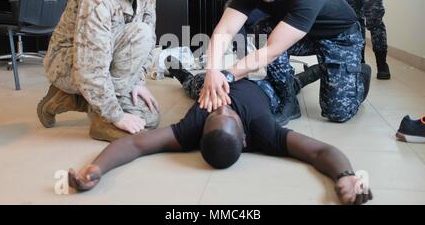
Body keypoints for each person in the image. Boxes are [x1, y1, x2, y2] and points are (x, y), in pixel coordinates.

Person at [68, 76, 373, 205]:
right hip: (258, 87)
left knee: (196, 83)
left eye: (218, 112)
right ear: (245, 138)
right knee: (287, 88)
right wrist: (346, 176)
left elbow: (135, 144)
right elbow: (320, 151)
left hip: (213, 80)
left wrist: (95, 168)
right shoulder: (265, 133)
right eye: (223, 113)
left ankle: (184, 73)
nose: (223, 105)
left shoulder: (192, 127)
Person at [198, 0, 372, 124]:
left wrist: (227, 75)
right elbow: (224, 30)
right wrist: (211, 70)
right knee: (264, 29)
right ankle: (289, 99)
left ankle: (360, 75)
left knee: (337, 113)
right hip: (303, 35)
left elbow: (272, 50)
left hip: (339, 38)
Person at [37, 0, 165, 142]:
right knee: (140, 32)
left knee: (149, 118)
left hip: (106, 63)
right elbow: (90, 69)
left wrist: (137, 81)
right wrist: (116, 116)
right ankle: (100, 120)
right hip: (70, 65)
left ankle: (69, 99)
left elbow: (149, 40)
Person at [164, 56, 322, 126]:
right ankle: (321, 69)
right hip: (261, 91)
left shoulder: (196, 121)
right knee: (289, 86)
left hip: (219, 87)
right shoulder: (260, 123)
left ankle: (177, 68)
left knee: (194, 84)